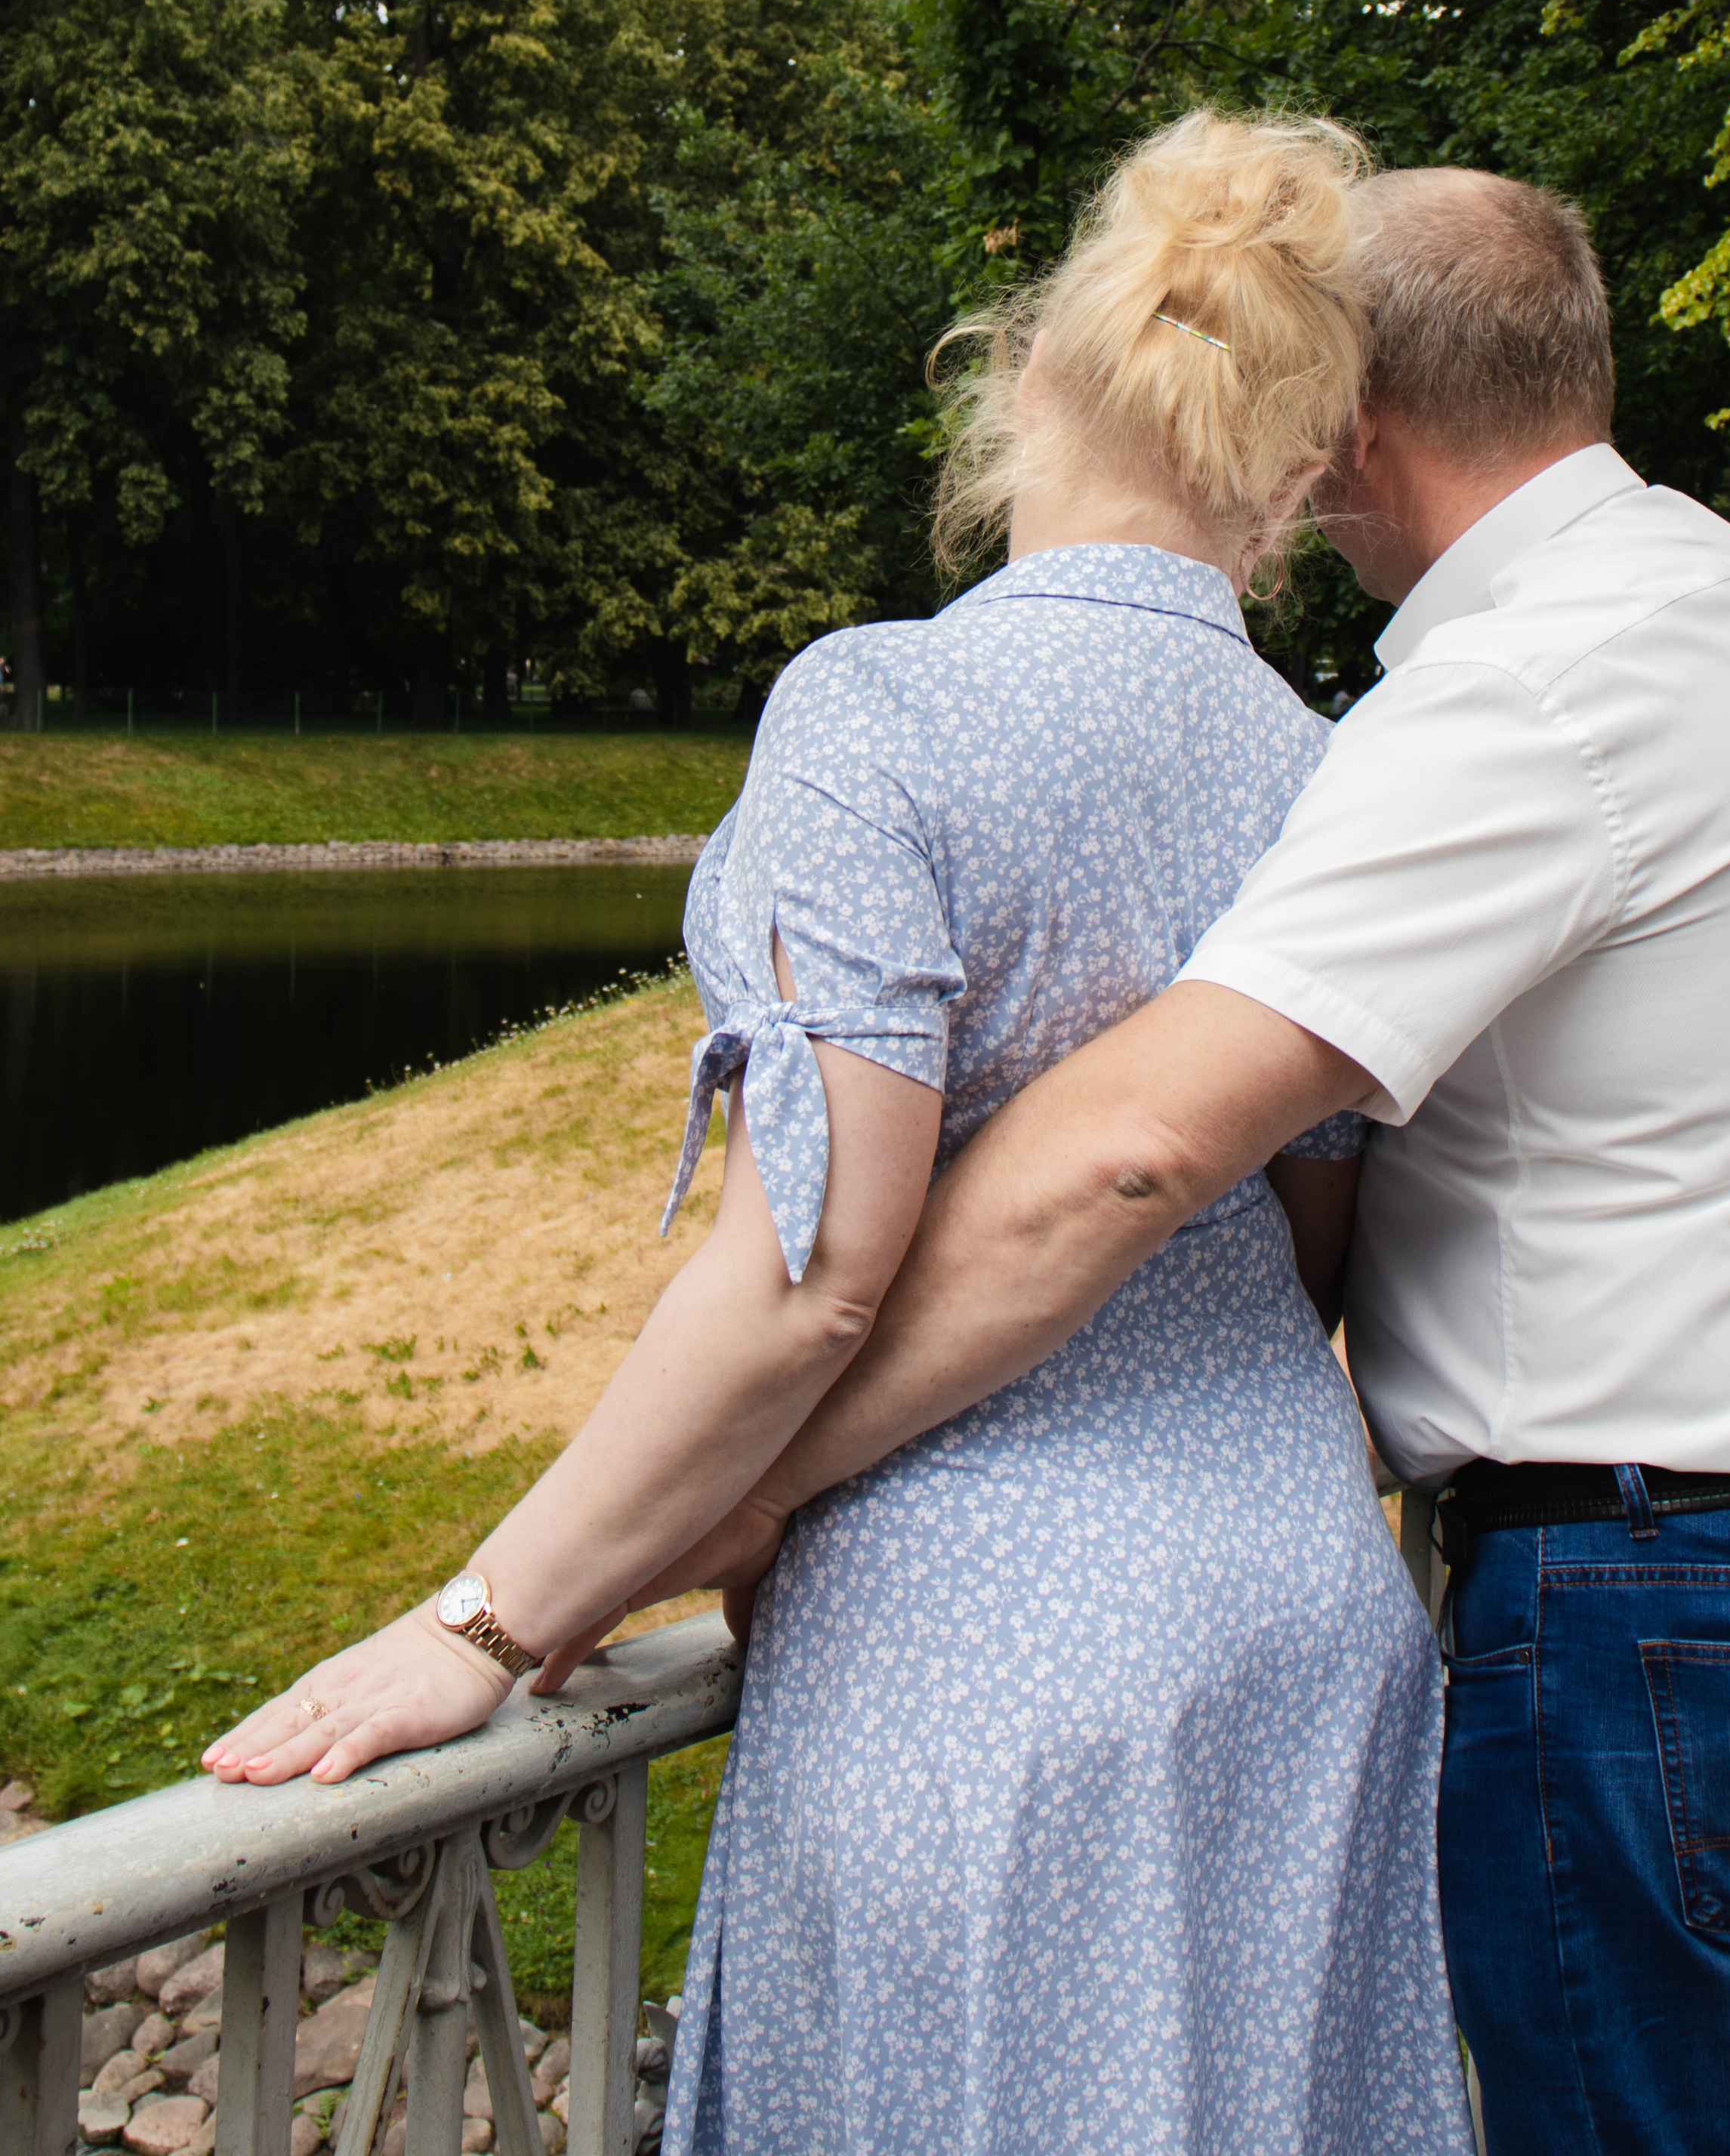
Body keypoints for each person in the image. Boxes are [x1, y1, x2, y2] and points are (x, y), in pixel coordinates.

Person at [204, 113, 1476, 2156]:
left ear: (1020, 383)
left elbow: (812, 1279)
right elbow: (1316, 1245)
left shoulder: (882, 712)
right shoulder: (1339, 775)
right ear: (1294, 478)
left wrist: (486, 1621)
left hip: (987, 1683)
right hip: (1309, 1643)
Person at [652, 168, 1730, 2156]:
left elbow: (1139, 1148)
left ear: (1339, 429)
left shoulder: (1528, 693)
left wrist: (753, 1473)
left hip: (1649, 1607)